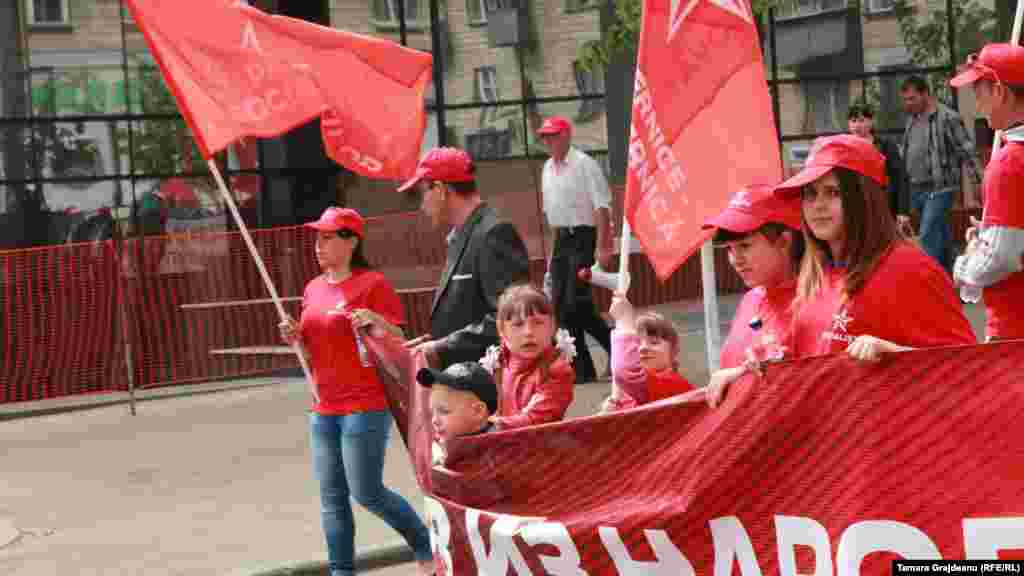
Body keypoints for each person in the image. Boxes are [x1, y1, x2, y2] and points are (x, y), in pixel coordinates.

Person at [278, 207, 433, 576]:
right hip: (324, 407)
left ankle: (423, 540)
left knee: (366, 491)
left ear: (352, 241)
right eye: (318, 237)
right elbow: (311, 343)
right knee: (332, 499)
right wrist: (293, 335)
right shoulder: (312, 289)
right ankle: (341, 571)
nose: (319, 245)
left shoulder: (372, 285)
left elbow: (398, 338)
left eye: (329, 237)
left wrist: (375, 320)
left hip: (365, 405)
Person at [772, 135, 976, 361]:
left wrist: (897, 355)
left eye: (833, 192)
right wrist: (744, 375)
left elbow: (966, 368)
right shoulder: (815, 273)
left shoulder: (911, 270)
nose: (818, 205)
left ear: (864, 199)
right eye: (810, 194)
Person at [397, 147, 530, 369]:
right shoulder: (462, 235)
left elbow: (510, 316)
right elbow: (466, 313)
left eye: (423, 193)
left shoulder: (494, 234)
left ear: (439, 189)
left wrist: (442, 346)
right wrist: (433, 342)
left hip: (489, 384)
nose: (422, 205)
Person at [701, 184, 804, 408]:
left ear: (784, 242)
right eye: (729, 249)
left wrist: (742, 376)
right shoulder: (751, 299)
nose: (735, 259)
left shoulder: (815, 301)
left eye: (745, 246)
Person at [950, 43, 1024, 341]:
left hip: (1015, 328)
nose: (977, 105)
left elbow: (1000, 258)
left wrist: (964, 265)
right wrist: (994, 230)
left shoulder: (1009, 163)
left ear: (1000, 92)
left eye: (978, 93)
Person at [537, 116, 614, 384]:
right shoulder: (547, 168)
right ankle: (582, 369)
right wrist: (551, 257)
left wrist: (604, 246)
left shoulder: (584, 164)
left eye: (554, 135)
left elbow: (602, 207)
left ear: (567, 135)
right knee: (561, 306)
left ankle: (614, 353)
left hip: (584, 236)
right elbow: (551, 215)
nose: (550, 141)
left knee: (575, 303)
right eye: (546, 137)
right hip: (561, 239)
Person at [900, 75, 982, 270]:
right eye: (905, 99)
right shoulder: (911, 120)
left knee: (928, 236)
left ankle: (931, 288)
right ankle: (952, 280)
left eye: (911, 98)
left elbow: (968, 151)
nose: (907, 104)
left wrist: (978, 183)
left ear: (925, 94)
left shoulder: (948, 117)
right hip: (916, 188)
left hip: (940, 188)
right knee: (941, 240)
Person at [479, 283, 575, 429]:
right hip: (498, 444)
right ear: (501, 329)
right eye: (518, 324)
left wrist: (493, 425)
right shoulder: (496, 362)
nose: (528, 332)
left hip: (538, 447)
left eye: (538, 323)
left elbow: (537, 418)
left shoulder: (556, 370)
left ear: (552, 326)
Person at [600, 292, 694, 412]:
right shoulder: (630, 395)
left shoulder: (674, 384)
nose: (642, 348)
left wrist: (625, 322)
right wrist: (614, 405)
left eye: (654, 342)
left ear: (674, 351)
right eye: (637, 343)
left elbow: (626, 371)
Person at [847, 103, 908, 221]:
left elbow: (900, 177)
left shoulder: (886, 145)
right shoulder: (844, 147)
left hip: (883, 205)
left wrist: (902, 211)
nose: (857, 125)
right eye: (853, 121)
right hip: (856, 207)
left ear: (871, 122)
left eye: (861, 120)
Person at [418, 362, 499, 444]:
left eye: (444, 411)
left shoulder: (498, 452)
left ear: (478, 411)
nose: (434, 420)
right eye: (432, 412)